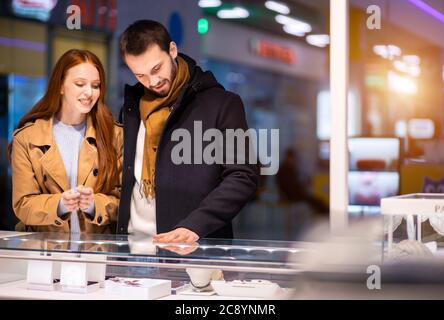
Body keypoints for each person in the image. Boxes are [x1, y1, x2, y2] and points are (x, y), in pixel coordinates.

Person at [117, 20, 259, 243]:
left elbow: (243, 174)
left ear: (172, 50)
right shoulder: (131, 108)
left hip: (195, 247)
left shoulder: (222, 104)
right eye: (140, 75)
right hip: (134, 248)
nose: (152, 81)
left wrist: (196, 225)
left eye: (156, 68)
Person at [9, 49, 123, 234]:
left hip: (97, 251)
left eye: (95, 85)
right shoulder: (26, 138)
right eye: (80, 84)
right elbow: (23, 204)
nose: (89, 93)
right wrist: (60, 205)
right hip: (43, 252)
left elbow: (124, 203)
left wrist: (94, 205)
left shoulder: (115, 135)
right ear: (60, 85)